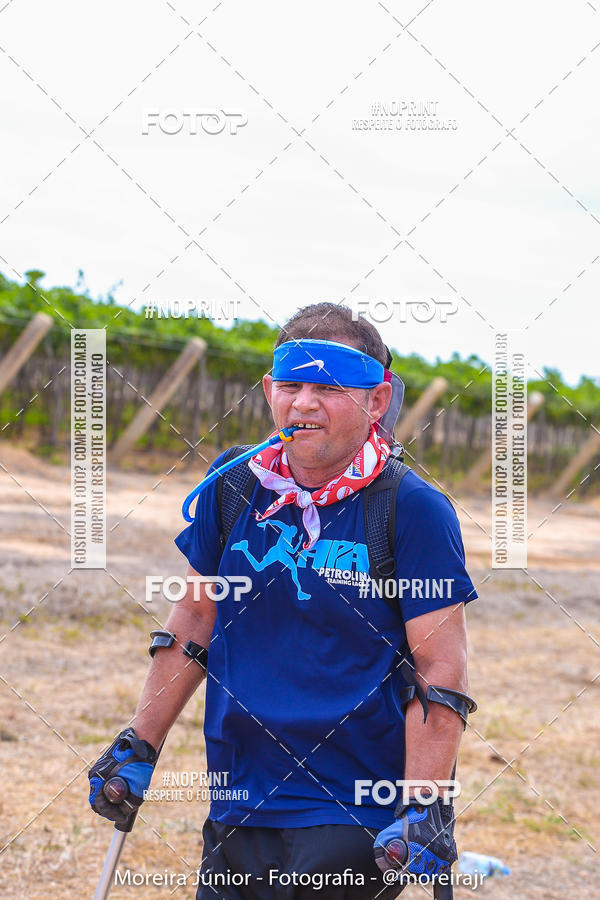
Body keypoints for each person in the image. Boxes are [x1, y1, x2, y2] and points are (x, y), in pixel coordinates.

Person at [89, 303, 477, 898]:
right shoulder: (235, 484)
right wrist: (139, 743)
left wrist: (424, 803)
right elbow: (194, 617)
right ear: (269, 388)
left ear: (377, 401)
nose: (303, 403)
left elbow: (440, 667)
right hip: (237, 793)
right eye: (291, 384)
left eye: (328, 387)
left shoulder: (413, 508)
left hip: (352, 810)